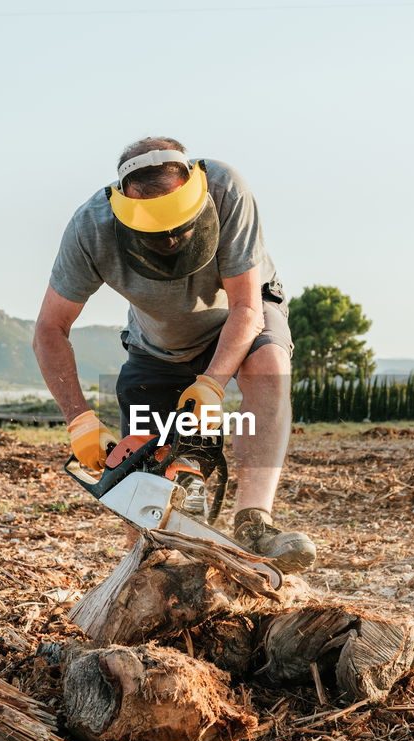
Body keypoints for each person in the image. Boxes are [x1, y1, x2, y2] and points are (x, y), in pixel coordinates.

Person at [32, 137, 315, 572]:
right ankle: (154, 560)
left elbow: (246, 308)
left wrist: (212, 383)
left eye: (182, 229)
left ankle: (255, 522)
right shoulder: (90, 228)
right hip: (156, 342)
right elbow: (50, 330)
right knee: (139, 478)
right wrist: (80, 421)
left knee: (268, 365)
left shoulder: (225, 189)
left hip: (238, 316)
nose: (172, 240)